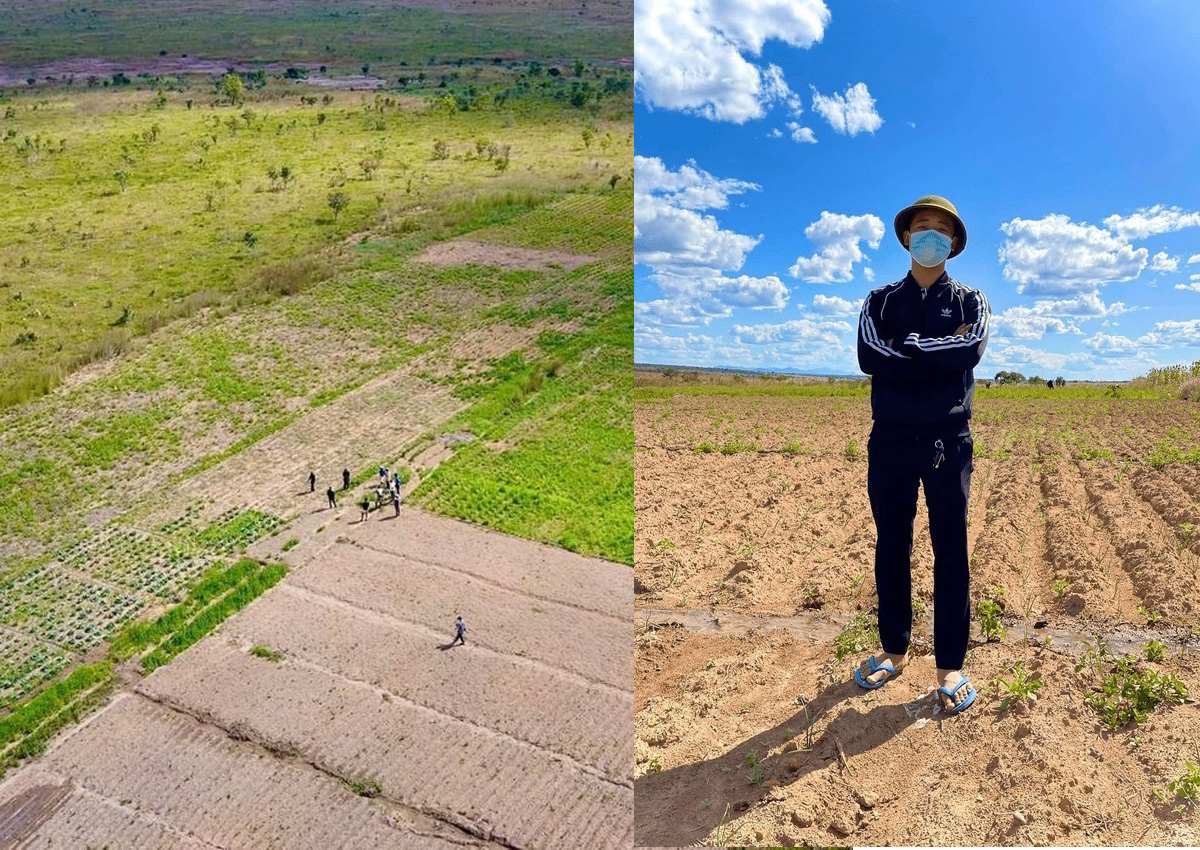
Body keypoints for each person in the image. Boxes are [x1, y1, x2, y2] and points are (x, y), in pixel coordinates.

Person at [854, 195, 990, 715]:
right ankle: (894, 648)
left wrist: (905, 348)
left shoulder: (972, 303)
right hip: (889, 441)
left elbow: (969, 348)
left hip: (947, 443)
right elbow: (870, 355)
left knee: (950, 548)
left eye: (940, 228)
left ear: (953, 242)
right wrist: (934, 348)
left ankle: (950, 664)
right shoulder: (878, 301)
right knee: (892, 542)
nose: (929, 234)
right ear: (906, 238)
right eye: (921, 227)